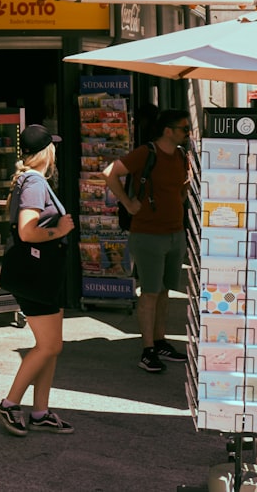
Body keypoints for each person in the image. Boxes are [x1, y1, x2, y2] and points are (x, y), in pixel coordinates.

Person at [0, 125, 75, 437]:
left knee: (51, 347)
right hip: (35, 272)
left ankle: (40, 411)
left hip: (44, 273)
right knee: (49, 345)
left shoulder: (33, 181)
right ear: (46, 152)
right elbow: (28, 230)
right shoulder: (34, 182)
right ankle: (9, 403)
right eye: (53, 147)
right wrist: (59, 231)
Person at [102, 108, 192, 373]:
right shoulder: (147, 152)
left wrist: (179, 198)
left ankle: (161, 341)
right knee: (150, 293)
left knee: (165, 290)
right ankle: (147, 348)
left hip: (175, 232)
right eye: (184, 129)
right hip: (149, 234)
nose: (187, 133)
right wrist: (128, 202)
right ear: (168, 130)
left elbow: (181, 187)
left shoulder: (181, 155)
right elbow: (110, 172)